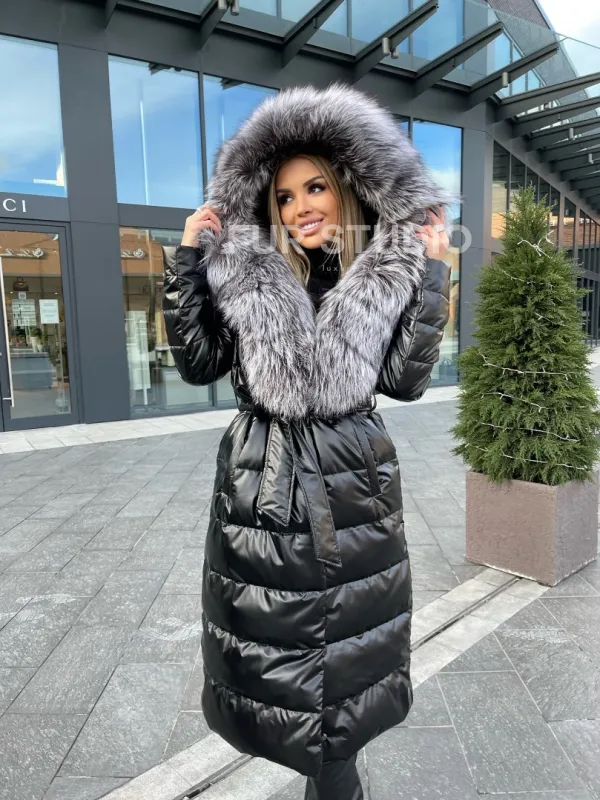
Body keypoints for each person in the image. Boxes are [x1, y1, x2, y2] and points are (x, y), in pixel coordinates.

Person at [163, 83, 451, 800]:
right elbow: (197, 362)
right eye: (284, 196)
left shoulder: (381, 272)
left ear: (347, 187)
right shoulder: (246, 273)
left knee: (345, 680)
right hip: (264, 484)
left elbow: (405, 380)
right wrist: (188, 263)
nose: (300, 207)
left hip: (356, 486)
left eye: (315, 186)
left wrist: (433, 273)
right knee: (279, 667)